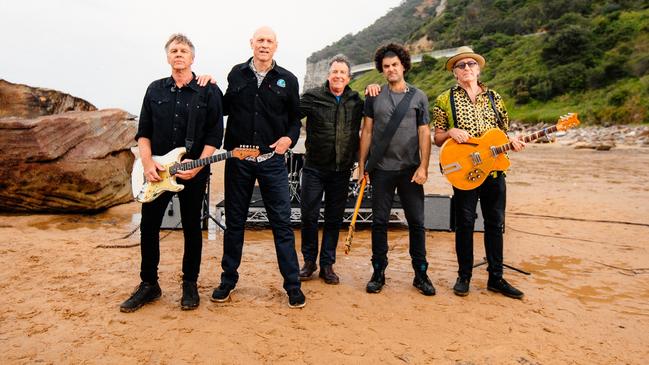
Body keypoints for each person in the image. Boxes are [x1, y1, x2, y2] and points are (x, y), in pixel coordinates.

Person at [121, 33, 224, 312]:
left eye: (184, 51)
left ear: (192, 58)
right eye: (174, 51)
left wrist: (200, 164)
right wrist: (147, 164)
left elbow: (216, 133)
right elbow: (143, 133)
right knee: (149, 227)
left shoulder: (209, 91)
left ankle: (189, 284)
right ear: (168, 57)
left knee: (192, 228)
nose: (178, 54)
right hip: (156, 172)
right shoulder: (155, 90)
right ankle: (149, 285)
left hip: (193, 171)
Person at [212, 26, 306, 308]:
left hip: (272, 162)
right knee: (235, 223)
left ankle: (292, 285)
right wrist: (207, 84)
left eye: (269, 41)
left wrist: (289, 139)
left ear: (276, 46)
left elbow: (294, 119)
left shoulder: (287, 80)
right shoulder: (236, 73)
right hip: (239, 162)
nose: (264, 45)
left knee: (282, 225)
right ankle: (228, 280)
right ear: (251, 44)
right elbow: (224, 106)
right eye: (260, 40)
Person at [432, 46, 525, 299]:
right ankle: (464, 276)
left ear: (478, 68)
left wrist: (512, 142)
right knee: (464, 224)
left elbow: (503, 132)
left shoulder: (495, 97)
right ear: (454, 72)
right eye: (461, 65)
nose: (467, 69)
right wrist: (451, 132)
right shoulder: (444, 99)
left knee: (495, 224)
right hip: (466, 173)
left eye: (471, 64)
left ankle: (496, 278)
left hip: (494, 171)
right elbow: (437, 137)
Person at [358, 43, 435, 296]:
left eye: (395, 65)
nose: (391, 69)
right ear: (382, 70)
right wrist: (362, 167)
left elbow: (424, 133)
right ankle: (378, 272)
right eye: (386, 66)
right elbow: (367, 131)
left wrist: (424, 166)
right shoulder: (373, 95)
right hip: (381, 170)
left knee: (417, 222)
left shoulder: (419, 97)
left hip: (410, 170)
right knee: (379, 222)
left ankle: (420, 274)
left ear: (403, 66)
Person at [297, 55, 363, 284]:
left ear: (348, 77)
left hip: (342, 170)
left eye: (342, 73)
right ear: (329, 74)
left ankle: (327, 265)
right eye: (334, 72)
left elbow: (373, 124)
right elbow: (290, 114)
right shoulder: (313, 97)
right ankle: (308, 262)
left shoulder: (356, 101)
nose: (338, 76)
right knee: (309, 216)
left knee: (334, 219)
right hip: (314, 168)